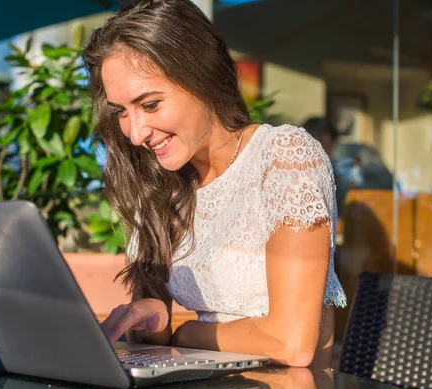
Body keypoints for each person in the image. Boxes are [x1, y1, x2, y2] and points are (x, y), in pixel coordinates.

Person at [83, 0, 346, 368]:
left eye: (151, 104)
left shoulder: (283, 157)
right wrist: (153, 319)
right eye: (122, 112)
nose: (136, 132)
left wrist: (188, 334)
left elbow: (293, 343)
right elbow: (158, 346)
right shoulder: (161, 180)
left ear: (201, 76)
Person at [302, 116, 395, 216]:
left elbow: (387, 185)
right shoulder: (327, 163)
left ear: (326, 139)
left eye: (309, 144)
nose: (306, 151)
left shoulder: (356, 155)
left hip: (372, 218)